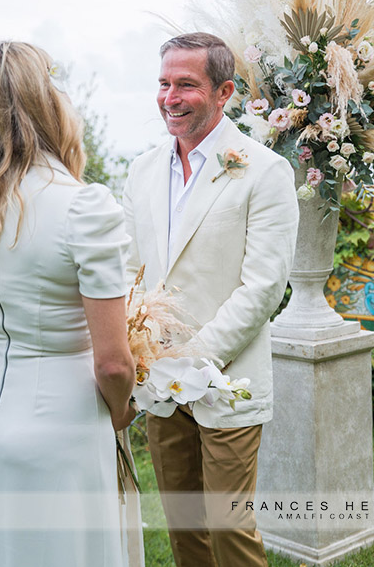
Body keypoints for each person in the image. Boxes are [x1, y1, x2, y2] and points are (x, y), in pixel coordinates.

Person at [0, 41, 138, 567]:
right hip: (64, 422)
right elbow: (114, 361)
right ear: (48, 103)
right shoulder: (85, 206)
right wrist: (122, 410)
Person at [122, 32, 299, 567]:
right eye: (163, 84)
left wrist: (194, 360)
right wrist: (144, 354)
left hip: (229, 377)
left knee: (230, 530)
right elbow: (132, 272)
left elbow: (264, 286)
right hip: (157, 378)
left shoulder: (265, 170)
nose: (169, 97)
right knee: (184, 528)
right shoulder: (141, 170)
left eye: (186, 85)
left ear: (224, 92)